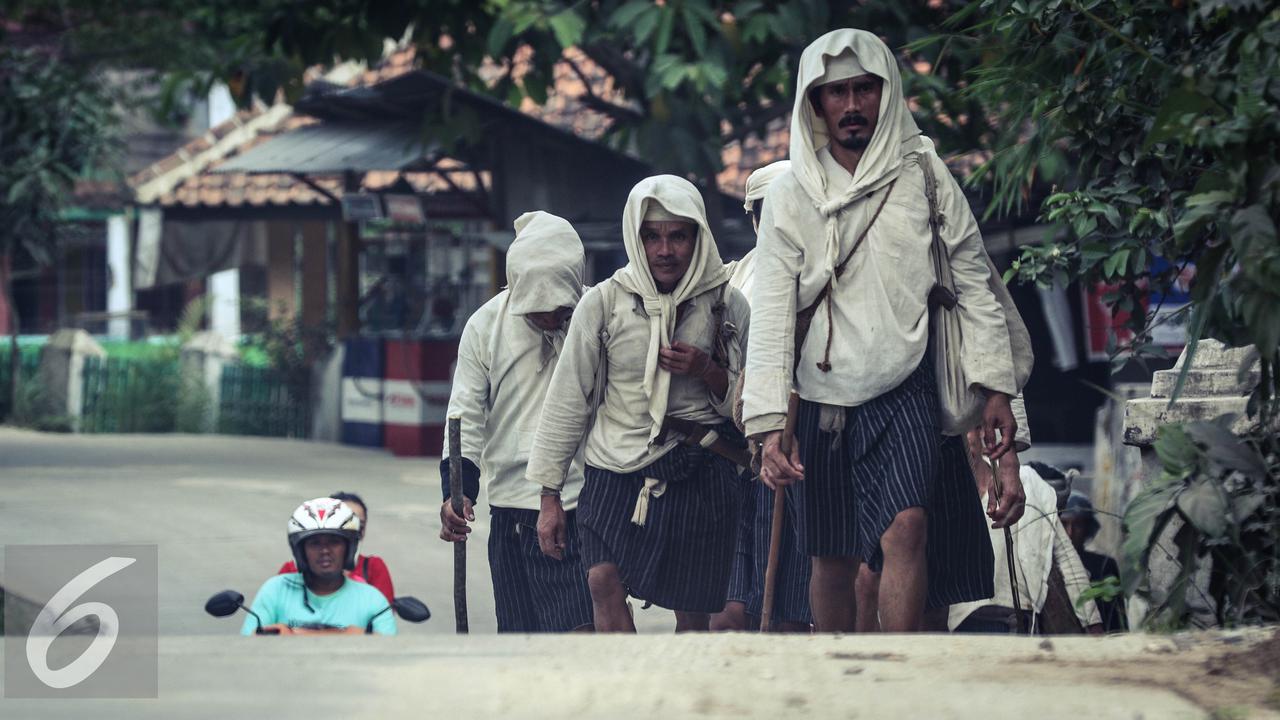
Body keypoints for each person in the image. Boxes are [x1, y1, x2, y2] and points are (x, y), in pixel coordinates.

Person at [742, 29, 1026, 633]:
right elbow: (770, 309)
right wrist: (768, 425)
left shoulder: (922, 172)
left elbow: (973, 282)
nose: (851, 105)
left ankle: (899, 675)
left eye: (864, 89)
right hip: (820, 399)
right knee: (832, 556)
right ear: (815, 104)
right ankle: (840, 672)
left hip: (907, 384)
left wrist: (997, 391)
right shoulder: (790, 193)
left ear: (886, 93)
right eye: (836, 92)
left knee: (907, 527)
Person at [528, 175, 751, 633]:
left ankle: (677, 700)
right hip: (613, 469)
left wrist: (708, 372)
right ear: (636, 237)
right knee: (600, 579)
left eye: (677, 236)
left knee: (693, 613)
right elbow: (569, 397)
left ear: (698, 237)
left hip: (701, 469)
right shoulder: (605, 303)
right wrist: (549, 497)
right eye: (652, 236)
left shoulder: (729, 305)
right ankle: (628, 687)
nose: (664, 250)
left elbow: (754, 406)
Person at [437, 211, 594, 633]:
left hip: (582, 503)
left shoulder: (598, 315)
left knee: (579, 635)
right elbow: (464, 413)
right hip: (509, 506)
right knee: (518, 637)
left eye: (557, 308)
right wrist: (458, 491)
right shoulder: (485, 325)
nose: (547, 318)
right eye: (536, 310)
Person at [711, 161, 812, 633]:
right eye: (767, 211)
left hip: (804, 459)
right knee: (731, 614)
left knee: (792, 611)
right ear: (753, 217)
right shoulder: (733, 282)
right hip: (740, 462)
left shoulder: (820, 271)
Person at [948, 434, 1102, 634]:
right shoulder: (939, 495)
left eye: (969, 427)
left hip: (1020, 620)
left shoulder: (1026, 482)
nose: (965, 438)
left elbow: (1066, 559)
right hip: (958, 626)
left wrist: (1093, 624)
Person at [244, 497, 396, 635]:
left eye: (334, 542)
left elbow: (389, 655)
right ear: (300, 552)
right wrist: (350, 635)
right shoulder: (275, 590)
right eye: (315, 543)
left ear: (350, 549)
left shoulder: (373, 600)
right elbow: (247, 646)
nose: (325, 551)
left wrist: (292, 634)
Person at [278, 491, 394, 603]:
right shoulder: (291, 571)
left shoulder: (373, 568)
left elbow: (383, 614)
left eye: (360, 526)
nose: (325, 550)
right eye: (315, 543)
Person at [1060, 490, 1127, 632]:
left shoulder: (1104, 566)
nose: (1070, 533)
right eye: (1063, 524)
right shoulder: (1047, 566)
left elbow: (1116, 621)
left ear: (1087, 528)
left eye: (1077, 525)